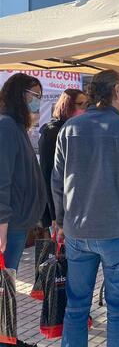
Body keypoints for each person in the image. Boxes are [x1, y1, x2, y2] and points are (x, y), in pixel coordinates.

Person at [52, 69, 119, 347]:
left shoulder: (69, 128)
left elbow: (58, 183)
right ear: (117, 91)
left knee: (75, 306)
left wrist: (60, 221)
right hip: (116, 232)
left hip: (77, 230)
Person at [0, 73, 47, 347]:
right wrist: (2, 223)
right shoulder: (6, 126)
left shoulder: (15, 126)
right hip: (11, 224)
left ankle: (7, 337)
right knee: (5, 284)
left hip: (17, 222)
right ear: (20, 94)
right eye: (35, 95)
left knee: (7, 283)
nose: (37, 101)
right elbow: (2, 177)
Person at [39, 89, 88, 231]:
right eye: (81, 104)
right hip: (58, 206)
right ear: (68, 105)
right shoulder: (53, 131)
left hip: (75, 205)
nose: (85, 108)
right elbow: (48, 173)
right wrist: (54, 215)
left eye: (87, 104)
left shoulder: (78, 128)